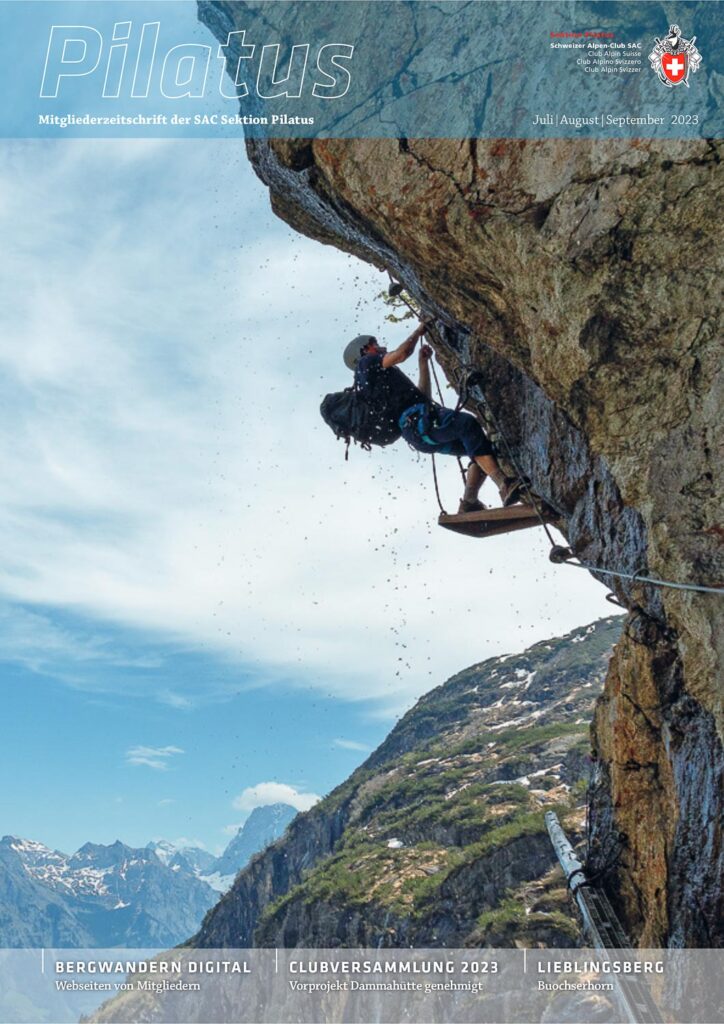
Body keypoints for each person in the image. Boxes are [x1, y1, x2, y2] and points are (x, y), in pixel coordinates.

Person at [343, 324, 524, 512]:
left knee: (482, 448)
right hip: (419, 424)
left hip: (419, 432)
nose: (381, 348)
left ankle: (469, 502)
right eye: (375, 344)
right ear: (364, 350)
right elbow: (402, 354)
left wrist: (423, 364)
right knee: (467, 425)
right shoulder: (366, 364)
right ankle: (504, 484)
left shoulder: (375, 382)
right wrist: (418, 332)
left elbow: (422, 398)